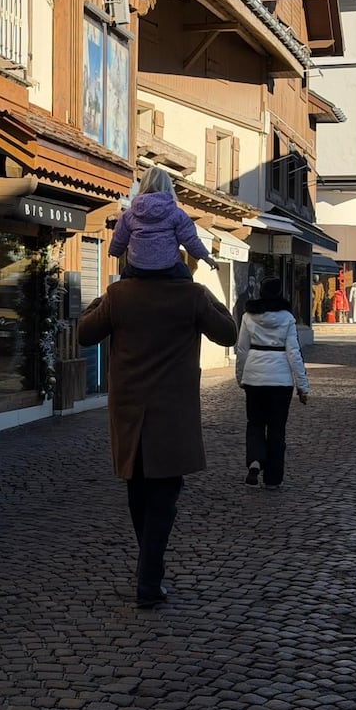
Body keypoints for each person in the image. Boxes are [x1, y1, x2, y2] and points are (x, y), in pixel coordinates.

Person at [77, 275, 237, 607]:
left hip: (130, 409)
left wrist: (103, 298)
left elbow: (85, 333)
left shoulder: (120, 294)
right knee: (164, 495)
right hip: (172, 410)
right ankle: (149, 577)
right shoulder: (192, 295)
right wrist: (207, 294)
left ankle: (149, 571)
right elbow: (228, 333)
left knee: (138, 493)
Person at [235, 276, 309, 489]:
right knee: (277, 429)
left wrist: (241, 377)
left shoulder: (249, 316)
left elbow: (242, 350)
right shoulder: (287, 318)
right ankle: (273, 478)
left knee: (255, 423)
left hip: (254, 376)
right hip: (280, 380)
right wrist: (302, 386)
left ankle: (255, 460)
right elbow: (294, 353)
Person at [109, 165, 217, 278]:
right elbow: (190, 239)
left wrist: (114, 251)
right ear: (168, 185)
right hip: (168, 269)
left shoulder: (129, 215)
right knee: (186, 275)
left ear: (143, 184)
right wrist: (205, 256)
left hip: (137, 269)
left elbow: (119, 237)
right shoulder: (176, 214)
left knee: (123, 281)